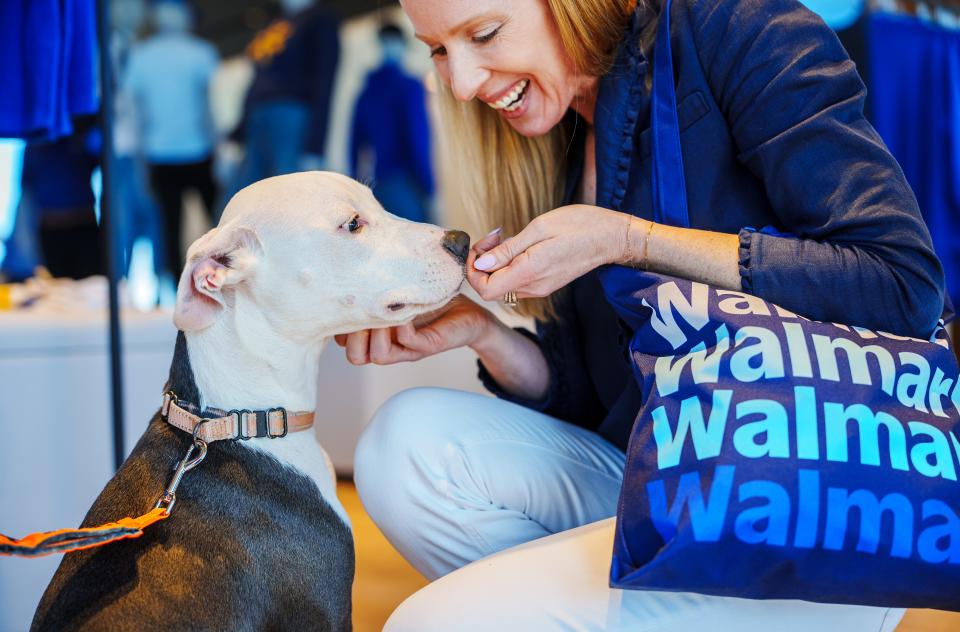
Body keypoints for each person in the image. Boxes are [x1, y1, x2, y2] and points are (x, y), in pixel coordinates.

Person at [340, 0, 944, 629]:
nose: (460, 84)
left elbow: (900, 283)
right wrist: (486, 335)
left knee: (436, 621)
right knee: (399, 444)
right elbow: (603, 399)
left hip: (803, 502)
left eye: (485, 34)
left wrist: (631, 240)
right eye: (437, 50)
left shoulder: (738, 27)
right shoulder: (566, 127)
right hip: (668, 480)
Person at [123, 0, 219, 277]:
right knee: (209, 223)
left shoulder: (143, 55)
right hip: (182, 152)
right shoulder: (200, 52)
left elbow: (135, 112)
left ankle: (184, 287)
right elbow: (211, 105)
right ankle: (192, 285)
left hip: (175, 152)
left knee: (176, 227)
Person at [232, 0, 340, 191]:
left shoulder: (319, 19)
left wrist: (315, 146)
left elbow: (324, 80)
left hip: (291, 116)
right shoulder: (275, 26)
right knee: (247, 192)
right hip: (258, 118)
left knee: (290, 192)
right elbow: (257, 80)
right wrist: (238, 133)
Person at [349, 23, 435, 223]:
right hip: (407, 182)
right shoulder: (409, 86)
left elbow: (354, 145)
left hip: (377, 185)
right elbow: (418, 138)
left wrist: (355, 188)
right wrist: (429, 184)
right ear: (402, 45)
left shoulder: (366, 91)